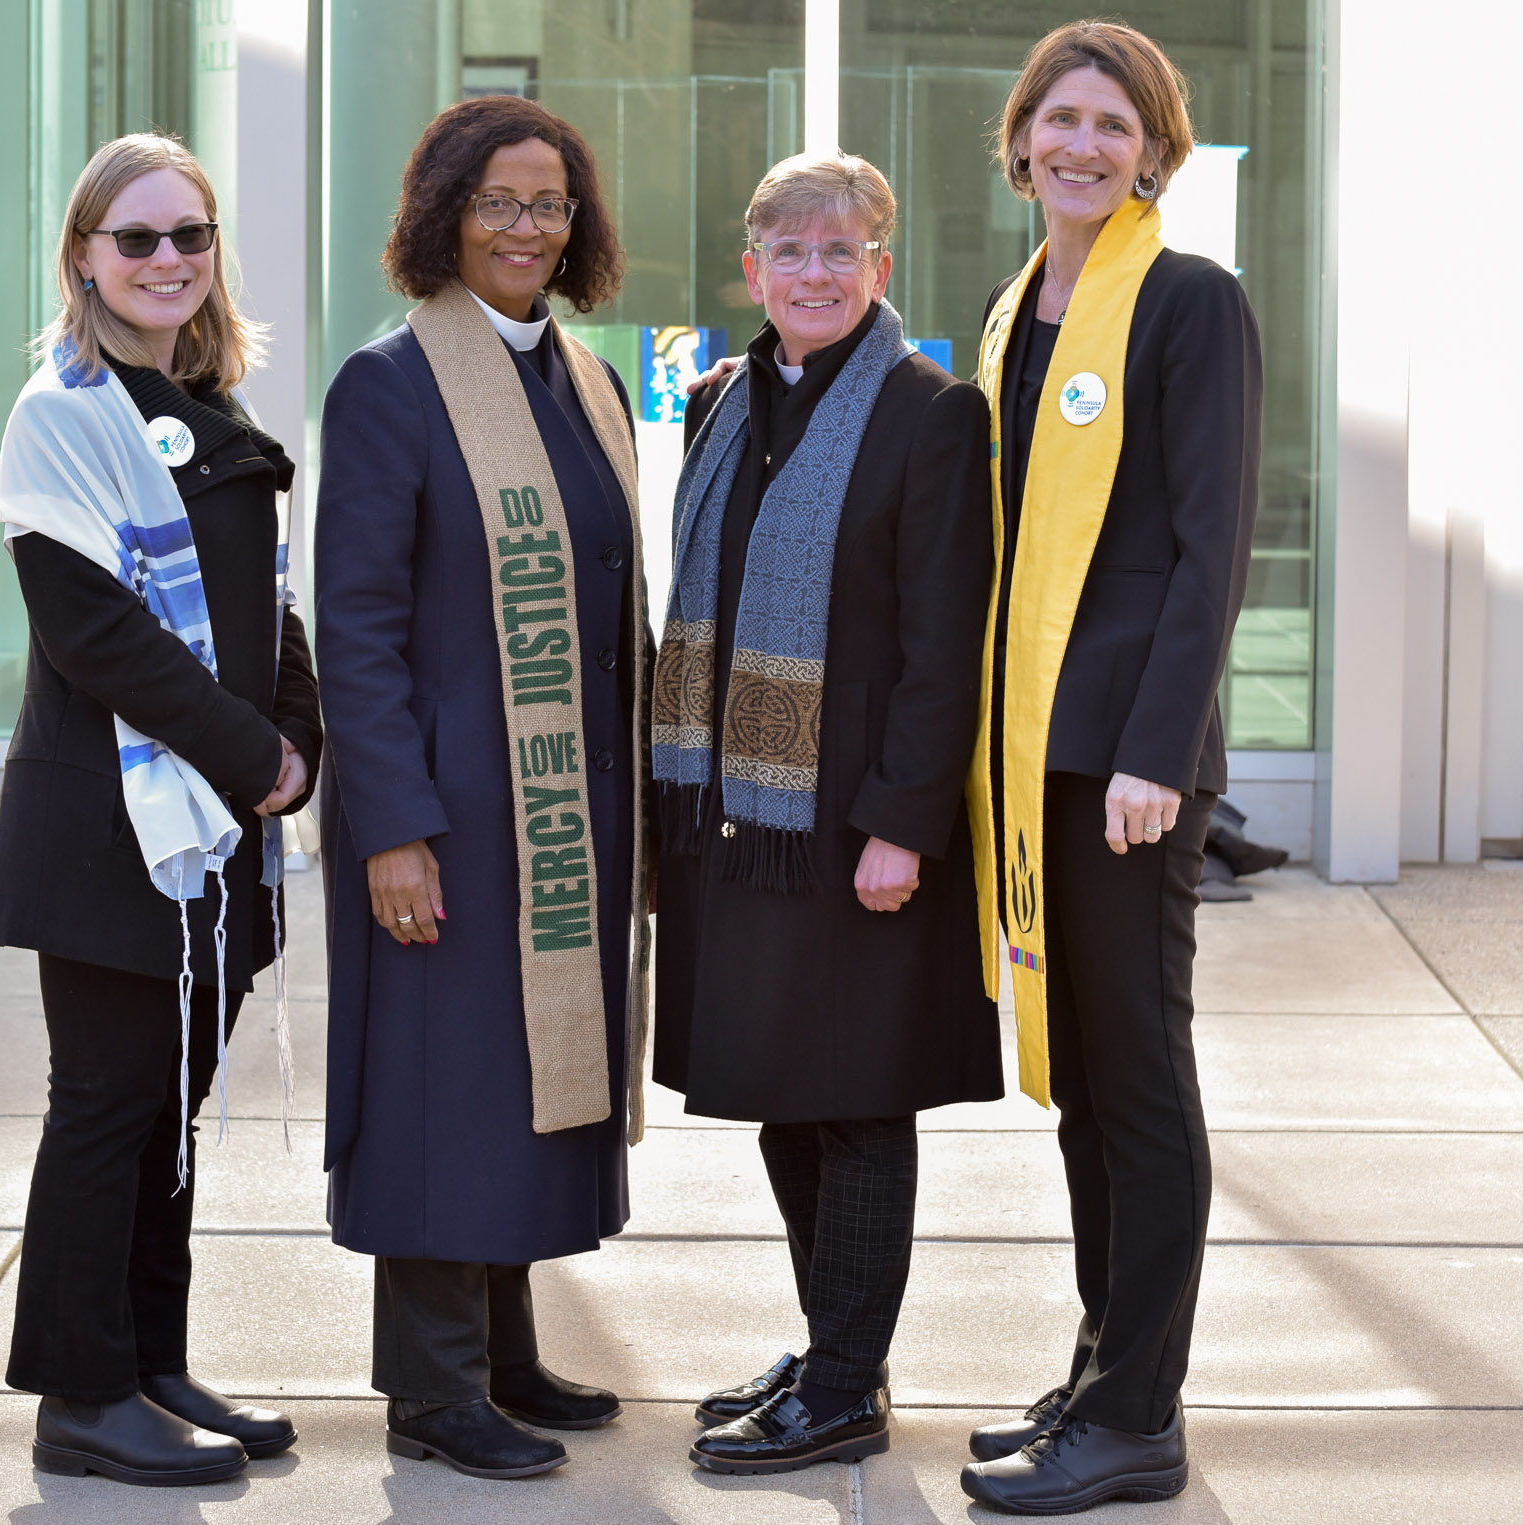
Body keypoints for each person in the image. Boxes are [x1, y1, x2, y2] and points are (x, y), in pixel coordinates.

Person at [312, 95, 651, 1481]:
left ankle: (503, 1351)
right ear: (445, 210)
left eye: (551, 202)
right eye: (502, 200)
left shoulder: (583, 381)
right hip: (449, 810)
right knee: (440, 1085)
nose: (528, 226)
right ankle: (433, 1388)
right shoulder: (391, 384)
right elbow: (358, 624)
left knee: (523, 1076)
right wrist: (393, 823)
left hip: (557, 807)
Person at [654, 150, 1002, 1477]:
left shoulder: (928, 412)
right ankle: (831, 1346)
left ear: (880, 269)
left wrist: (903, 824)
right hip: (744, 816)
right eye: (787, 252)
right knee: (784, 1094)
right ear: (753, 269)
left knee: (855, 1100)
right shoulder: (723, 402)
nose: (812, 272)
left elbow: (943, 638)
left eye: (838, 250)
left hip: (854, 820)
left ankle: (847, 1379)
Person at [0, 132, 323, 1487]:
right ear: (83, 255)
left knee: (166, 1101)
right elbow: (96, 634)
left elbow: (269, 605)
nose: (169, 258)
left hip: (218, 817)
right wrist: (257, 756)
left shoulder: (210, 403)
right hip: (114, 823)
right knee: (109, 1103)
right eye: (138, 238)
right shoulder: (64, 415)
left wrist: (298, 736)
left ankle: (147, 1359)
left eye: (191, 234)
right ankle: (81, 1392)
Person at [958, 21, 1262, 1514]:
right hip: (1038, 762)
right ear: (1022, 140)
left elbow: (1214, 549)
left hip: (1128, 767)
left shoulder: (1188, 304)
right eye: (1061, 118)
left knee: (1138, 1080)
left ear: (1153, 148)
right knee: (1086, 1080)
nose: (1084, 144)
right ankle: (1102, 1365)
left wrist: (1157, 752)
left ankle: (1140, 1411)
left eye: (1114, 123)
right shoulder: (1021, 308)